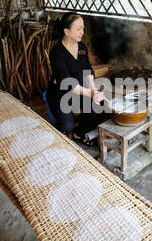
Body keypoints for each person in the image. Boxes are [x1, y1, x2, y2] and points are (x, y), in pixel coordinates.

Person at [47, 12, 110, 146]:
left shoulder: (82, 48)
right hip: (60, 94)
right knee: (66, 126)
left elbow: (88, 70)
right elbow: (66, 82)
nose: (82, 32)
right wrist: (91, 94)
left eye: (83, 28)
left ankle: (79, 133)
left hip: (79, 90)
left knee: (103, 108)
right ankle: (67, 131)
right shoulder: (57, 52)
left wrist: (93, 90)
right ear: (67, 31)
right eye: (78, 29)